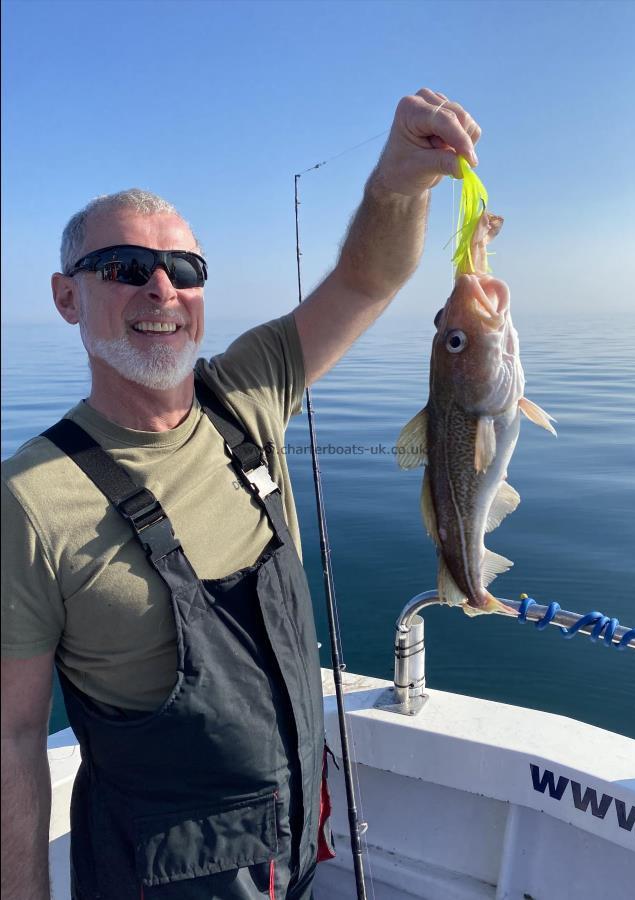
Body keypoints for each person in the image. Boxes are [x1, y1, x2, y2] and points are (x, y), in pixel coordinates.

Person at [1, 88, 480, 900]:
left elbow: (366, 279)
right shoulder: (29, 499)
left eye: (182, 269)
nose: (160, 289)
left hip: (292, 848)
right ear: (65, 295)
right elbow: (12, 738)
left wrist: (398, 186)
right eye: (123, 268)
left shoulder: (248, 391)